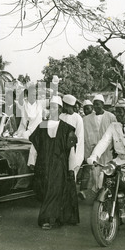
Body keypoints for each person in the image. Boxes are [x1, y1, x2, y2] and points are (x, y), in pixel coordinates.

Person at [87, 98, 125, 222]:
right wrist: (94, 156)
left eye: (121, 111)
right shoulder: (113, 126)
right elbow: (104, 141)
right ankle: (106, 203)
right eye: (116, 111)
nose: (117, 114)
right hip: (119, 160)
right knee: (104, 174)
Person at [28, 96, 79, 229]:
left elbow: (71, 151)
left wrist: (71, 168)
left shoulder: (68, 128)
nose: (52, 110)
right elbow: (35, 145)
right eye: (50, 107)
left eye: (55, 107)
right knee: (46, 190)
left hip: (59, 165)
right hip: (43, 164)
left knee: (54, 191)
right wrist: (31, 161)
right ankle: (55, 217)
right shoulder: (42, 125)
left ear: (61, 109)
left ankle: (49, 219)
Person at [79, 94, 117, 199]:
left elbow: (115, 133)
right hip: (92, 151)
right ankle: (97, 193)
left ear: (103, 104)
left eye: (98, 104)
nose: (96, 106)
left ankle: (108, 193)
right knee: (95, 174)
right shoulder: (86, 119)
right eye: (94, 104)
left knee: (107, 172)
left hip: (107, 150)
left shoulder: (111, 117)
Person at [59, 94, 84, 180]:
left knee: (71, 181)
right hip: (60, 155)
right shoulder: (60, 116)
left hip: (72, 155)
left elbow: (79, 140)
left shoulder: (78, 118)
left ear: (66, 105)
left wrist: (76, 161)